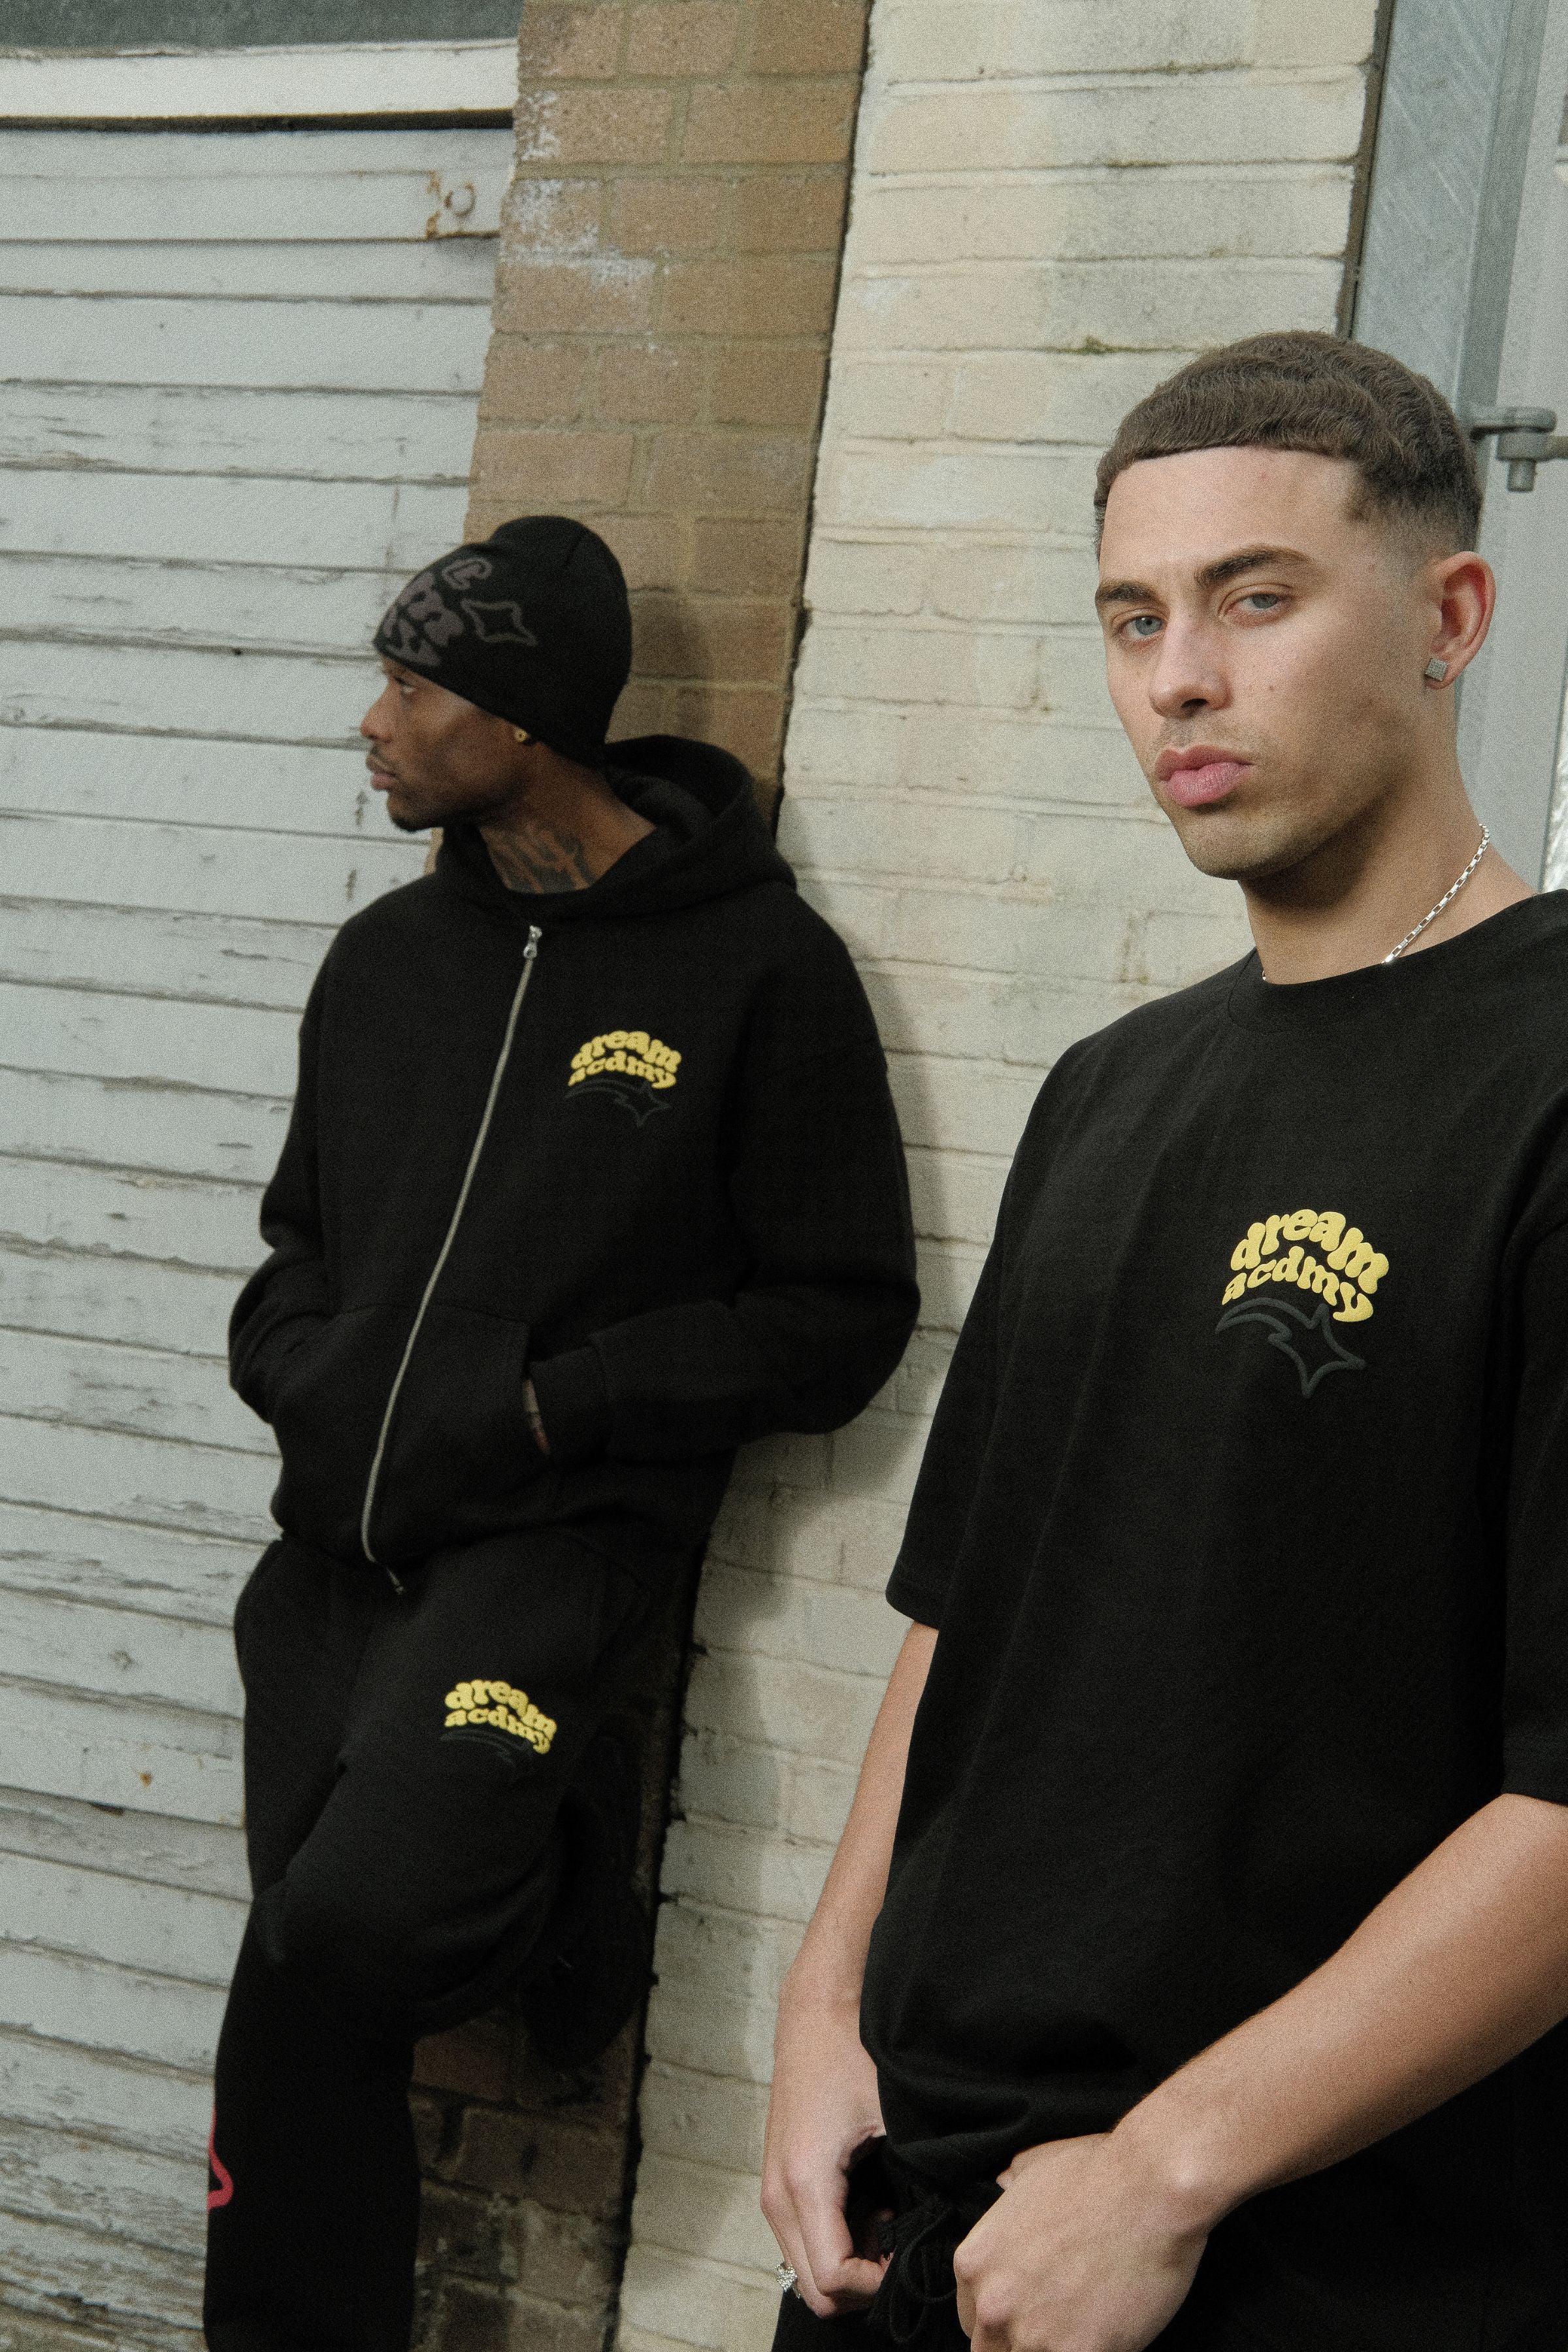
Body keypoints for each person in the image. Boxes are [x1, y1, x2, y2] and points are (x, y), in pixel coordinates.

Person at [761, 331, 1568, 2352]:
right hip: (926, 2210)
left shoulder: (1548, 1084)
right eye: (1133, 619)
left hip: (1301, 2252)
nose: (1179, 679)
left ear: (1452, 616)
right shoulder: (1110, 1091)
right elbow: (964, 1612)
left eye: (1254, 600)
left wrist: (1170, 2169)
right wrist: (825, 2007)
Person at [204, 513, 919, 2351]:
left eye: (412, 687)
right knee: (312, 1971)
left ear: (523, 720)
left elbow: (842, 1313)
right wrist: (300, 1367)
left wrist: (557, 1402)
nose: (373, 723)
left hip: (551, 1548)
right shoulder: (385, 961)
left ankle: (568, 1873)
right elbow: (298, 1248)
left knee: (350, 1936)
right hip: (333, 1559)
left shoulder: (758, 970)